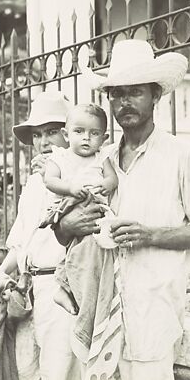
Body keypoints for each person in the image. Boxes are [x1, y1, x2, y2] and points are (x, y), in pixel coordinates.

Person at [55, 39, 190, 380]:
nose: (124, 102)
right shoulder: (98, 163)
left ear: (155, 96)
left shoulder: (181, 155)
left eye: (135, 92)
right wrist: (68, 225)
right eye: (117, 94)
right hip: (99, 320)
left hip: (151, 322)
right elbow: (64, 233)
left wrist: (151, 234)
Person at [0, 90, 81, 380]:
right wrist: (1, 274)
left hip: (61, 289)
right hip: (28, 291)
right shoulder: (32, 184)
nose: (44, 142)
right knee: (28, 375)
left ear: (69, 134)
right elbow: (22, 242)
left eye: (53, 132)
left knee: (59, 376)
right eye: (39, 134)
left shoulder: (79, 179)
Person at [39, 103, 118, 314]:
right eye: (79, 131)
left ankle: (71, 289)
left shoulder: (102, 157)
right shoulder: (60, 157)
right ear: (66, 134)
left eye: (94, 133)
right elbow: (50, 181)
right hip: (69, 205)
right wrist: (70, 188)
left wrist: (106, 184)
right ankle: (63, 288)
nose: (86, 138)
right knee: (74, 248)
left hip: (94, 206)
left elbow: (112, 178)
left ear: (104, 138)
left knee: (87, 252)